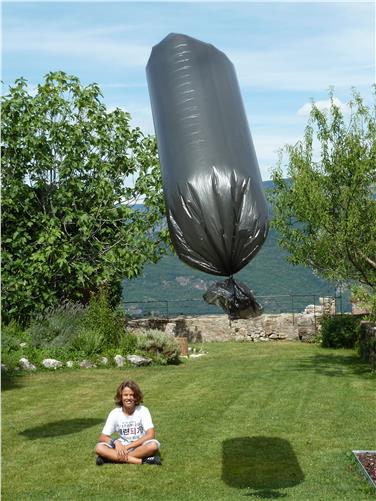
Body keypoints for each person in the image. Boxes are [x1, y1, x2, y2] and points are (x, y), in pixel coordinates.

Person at [95, 379, 161, 466]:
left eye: (131, 395)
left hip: (139, 446)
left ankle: (109, 458)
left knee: (153, 446)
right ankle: (142, 461)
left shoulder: (143, 410)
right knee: (99, 448)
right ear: (121, 396)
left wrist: (127, 447)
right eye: (125, 395)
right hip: (121, 446)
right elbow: (103, 437)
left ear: (136, 397)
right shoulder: (115, 413)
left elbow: (150, 435)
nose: (128, 398)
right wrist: (116, 442)